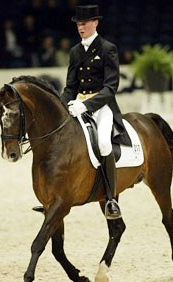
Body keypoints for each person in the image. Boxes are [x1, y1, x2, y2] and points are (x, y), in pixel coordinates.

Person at [60, 5, 131, 219]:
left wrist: (88, 105)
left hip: (102, 106)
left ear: (95, 23)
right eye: (78, 25)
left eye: (84, 24)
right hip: (78, 104)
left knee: (103, 142)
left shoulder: (107, 48)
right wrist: (62, 105)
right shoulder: (74, 52)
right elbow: (70, 87)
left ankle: (110, 199)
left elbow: (111, 87)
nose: (80, 28)